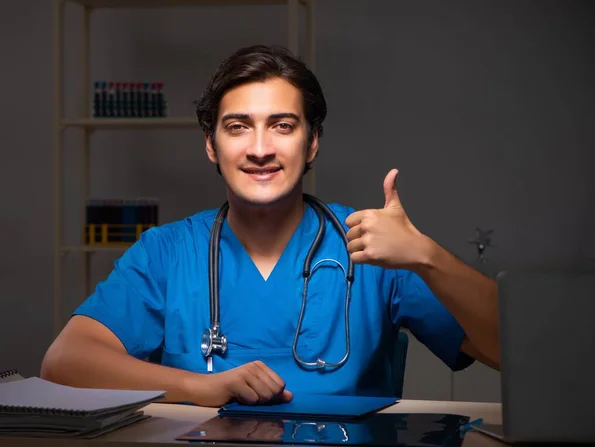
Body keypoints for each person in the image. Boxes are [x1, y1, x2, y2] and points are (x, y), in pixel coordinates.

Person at [41, 45, 499, 408]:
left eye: (282, 125)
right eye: (238, 127)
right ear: (211, 145)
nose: (260, 148)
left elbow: (512, 353)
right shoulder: (167, 252)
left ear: (312, 142)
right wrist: (199, 386)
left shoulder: (370, 244)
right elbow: (65, 362)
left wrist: (426, 255)